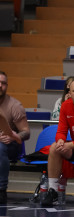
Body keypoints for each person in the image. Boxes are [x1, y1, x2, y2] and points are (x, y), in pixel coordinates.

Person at [0, 71, 30, 204]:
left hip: (11, 144)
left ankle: (1, 189)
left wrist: (13, 136)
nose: (0, 85)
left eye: (3, 83)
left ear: (6, 86)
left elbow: (26, 132)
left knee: (0, 147)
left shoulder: (15, 105)